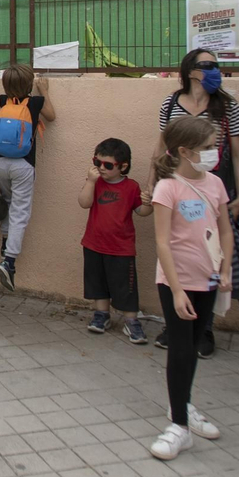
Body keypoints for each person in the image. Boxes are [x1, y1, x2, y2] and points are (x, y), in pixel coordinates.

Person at [151, 48, 239, 357]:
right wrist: (151, 182)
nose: (214, 70)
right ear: (190, 70)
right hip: (175, 187)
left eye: (215, 65)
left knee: (212, 252)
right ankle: (176, 319)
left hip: (213, 188)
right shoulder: (171, 104)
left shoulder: (227, 106)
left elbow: (238, 153)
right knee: (174, 248)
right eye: (207, 65)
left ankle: (204, 326)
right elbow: (160, 147)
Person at [147, 116, 230, 461]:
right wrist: (177, 290)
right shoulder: (168, 188)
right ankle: (179, 427)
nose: (214, 153)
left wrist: (225, 268)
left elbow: (224, 228)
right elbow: (163, 243)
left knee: (195, 345)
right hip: (176, 281)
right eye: (208, 148)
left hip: (208, 279)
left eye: (215, 146)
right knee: (180, 348)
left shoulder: (215, 184)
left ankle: (181, 403)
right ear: (184, 151)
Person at [78, 138, 153, 344]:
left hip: (121, 248)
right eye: (97, 162)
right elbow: (84, 203)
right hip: (94, 243)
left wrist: (150, 203)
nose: (101, 168)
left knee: (125, 286)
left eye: (108, 165)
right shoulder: (95, 182)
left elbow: (142, 212)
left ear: (123, 166)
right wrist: (90, 181)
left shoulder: (131, 187)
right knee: (97, 282)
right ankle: (102, 315)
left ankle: (131, 320)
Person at [0, 63, 56, 291]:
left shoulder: (2, 100)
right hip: (23, 165)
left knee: (8, 203)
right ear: (29, 84)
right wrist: (44, 90)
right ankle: (9, 261)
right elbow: (52, 116)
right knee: (20, 211)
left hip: (0, 163)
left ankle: (5, 241)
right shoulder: (35, 103)